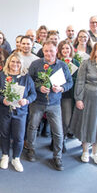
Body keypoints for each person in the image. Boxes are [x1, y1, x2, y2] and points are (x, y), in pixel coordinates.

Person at [26, 41, 73, 171]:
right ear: (43, 51)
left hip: (54, 104)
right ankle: (31, 150)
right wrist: (38, 87)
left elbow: (70, 82)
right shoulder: (36, 64)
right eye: (46, 51)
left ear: (56, 51)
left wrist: (62, 88)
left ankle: (57, 157)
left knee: (58, 132)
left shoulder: (62, 65)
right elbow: (29, 81)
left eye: (51, 51)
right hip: (38, 102)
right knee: (32, 127)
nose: (49, 54)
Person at [0, 52, 36, 172]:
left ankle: (16, 158)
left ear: (21, 64)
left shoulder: (26, 78)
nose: (15, 64)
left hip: (20, 112)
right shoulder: (1, 76)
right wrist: (2, 100)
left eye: (18, 62)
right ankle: (5, 155)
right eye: (13, 61)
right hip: (4, 111)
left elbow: (33, 94)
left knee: (19, 137)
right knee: (5, 134)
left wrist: (26, 100)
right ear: (8, 62)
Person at [57, 40, 79, 152]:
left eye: (67, 48)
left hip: (69, 95)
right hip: (57, 94)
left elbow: (79, 80)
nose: (65, 51)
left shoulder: (76, 63)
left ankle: (63, 139)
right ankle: (55, 140)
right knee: (55, 119)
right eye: (63, 49)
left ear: (71, 50)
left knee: (66, 119)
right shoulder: (56, 62)